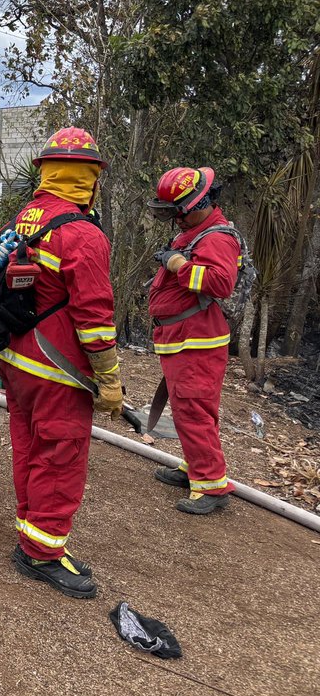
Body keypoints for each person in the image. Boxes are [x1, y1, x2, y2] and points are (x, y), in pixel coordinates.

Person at [0, 127, 122, 600]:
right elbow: (94, 317)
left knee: (29, 445)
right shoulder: (83, 235)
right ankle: (42, 553)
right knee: (60, 454)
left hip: (18, 359)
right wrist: (109, 377)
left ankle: (33, 532)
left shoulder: (25, 218)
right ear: (89, 178)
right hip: (58, 369)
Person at [147, 166, 239, 515]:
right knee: (189, 409)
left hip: (197, 338)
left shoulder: (216, 237)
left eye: (178, 213)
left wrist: (177, 266)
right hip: (183, 335)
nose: (175, 221)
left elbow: (220, 284)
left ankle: (212, 485)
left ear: (198, 204)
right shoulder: (195, 231)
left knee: (193, 407)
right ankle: (195, 467)